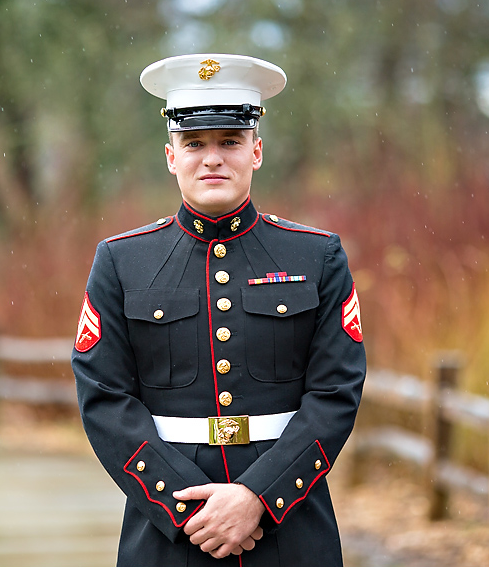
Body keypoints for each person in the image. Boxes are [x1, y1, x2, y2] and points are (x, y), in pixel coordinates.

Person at [71, 53, 366, 566]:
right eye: (194, 144)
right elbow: (104, 400)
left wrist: (258, 497)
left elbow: (336, 391)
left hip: (291, 523)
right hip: (166, 529)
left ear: (256, 151)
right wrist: (191, 509)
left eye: (230, 142)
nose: (212, 158)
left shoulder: (316, 255)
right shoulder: (121, 261)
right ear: (170, 156)